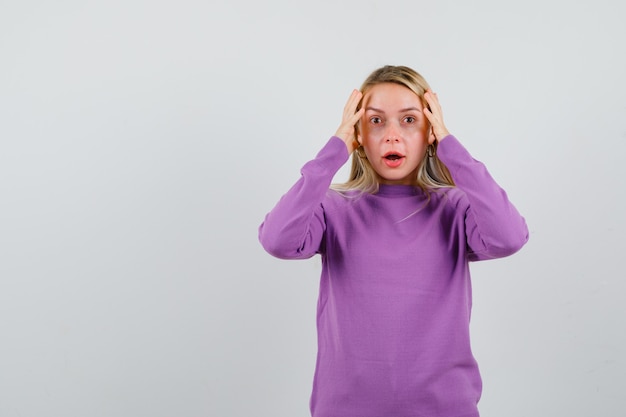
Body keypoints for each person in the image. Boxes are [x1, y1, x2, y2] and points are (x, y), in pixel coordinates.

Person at [258, 65, 529, 417]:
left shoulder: (455, 208)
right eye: (375, 121)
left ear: (429, 132)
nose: (391, 136)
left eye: (409, 120)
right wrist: (334, 151)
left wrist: (452, 148)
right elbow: (277, 240)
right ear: (358, 135)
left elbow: (510, 237)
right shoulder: (333, 209)